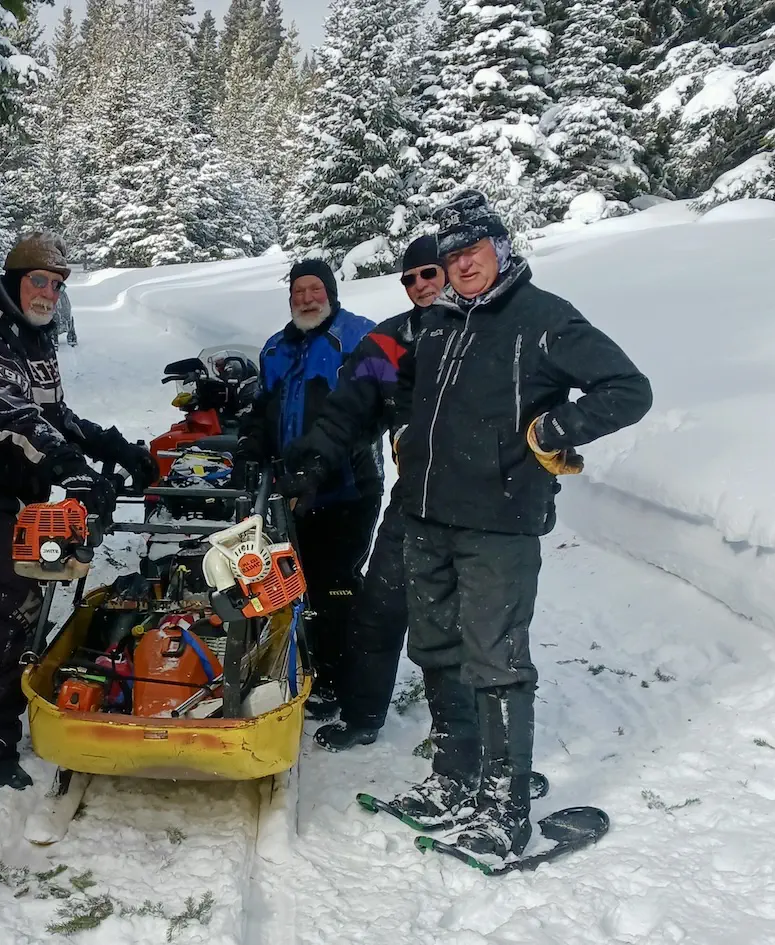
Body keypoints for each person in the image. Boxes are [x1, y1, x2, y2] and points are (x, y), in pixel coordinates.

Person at [386, 190, 652, 857]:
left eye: (473, 250)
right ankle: (454, 777)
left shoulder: (543, 318)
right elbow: (408, 388)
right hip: (425, 515)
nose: (462, 264)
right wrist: (404, 432)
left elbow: (627, 388)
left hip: (497, 523)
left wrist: (552, 429)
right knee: (436, 648)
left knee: (495, 660)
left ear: (500, 248)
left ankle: (503, 808)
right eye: (451, 255)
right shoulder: (440, 322)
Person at [0, 232, 157, 790]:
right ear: (13, 279)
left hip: (11, 487)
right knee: (18, 597)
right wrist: (72, 471)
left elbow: (53, 414)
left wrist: (112, 446)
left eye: (56, 283)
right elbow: (11, 417)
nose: (48, 291)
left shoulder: (33, 337)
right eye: (38, 280)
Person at [278, 235, 446, 752]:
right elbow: (354, 406)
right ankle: (358, 709)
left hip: (387, 492)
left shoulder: (495, 330)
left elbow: (372, 411)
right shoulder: (387, 338)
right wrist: (300, 458)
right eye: (409, 278)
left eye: (429, 274)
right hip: (383, 494)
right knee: (364, 605)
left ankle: (466, 740)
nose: (419, 285)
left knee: (447, 619)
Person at [237, 259, 384, 720]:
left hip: (347, 487)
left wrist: (332, 461)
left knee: (334, 586)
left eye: (314, 289)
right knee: (289, 582)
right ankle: (302, 662)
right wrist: (251, 442)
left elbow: (381, 404)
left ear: (331, 292)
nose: (306, 299)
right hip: (292, 489)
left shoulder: (364, 335)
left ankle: (338, 680)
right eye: (298, 291)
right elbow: (264, 407)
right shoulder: (275, 347)